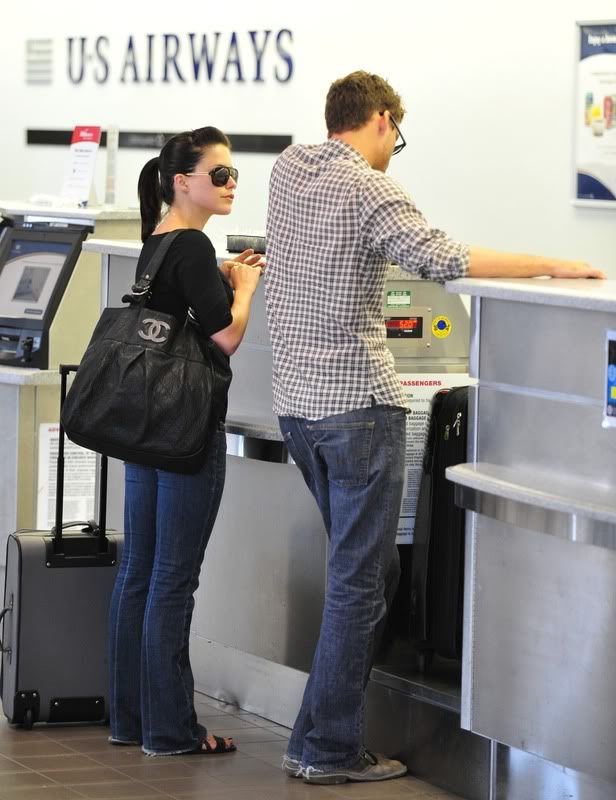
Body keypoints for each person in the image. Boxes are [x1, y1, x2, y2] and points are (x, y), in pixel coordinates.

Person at [264, 71, 605, 786]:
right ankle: (326, 750)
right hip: (357, 406)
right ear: (383, 119)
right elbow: (442, 259)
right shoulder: (371, 187)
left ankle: (311, 740)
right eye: (399, 137)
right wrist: (552, 263)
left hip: (296, 408)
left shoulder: (289, 170)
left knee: (364, 571)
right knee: (362, 579)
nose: (397, 152)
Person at [108, 126, 262, 756]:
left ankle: (130, 720)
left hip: (146, 429)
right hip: (187, 432)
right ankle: (172, 730)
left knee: (138, 574)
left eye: (233, 175)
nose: (231, 185)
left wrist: (221, 273)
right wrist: (245, 289)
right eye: (219, 174)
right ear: (183, 181)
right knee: (173, 578)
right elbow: (224, 337)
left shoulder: (159, 241)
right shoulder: (192, 247)